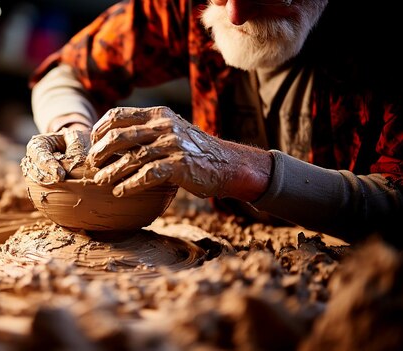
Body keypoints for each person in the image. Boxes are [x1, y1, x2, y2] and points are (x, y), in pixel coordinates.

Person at [22, 0, 403, 246]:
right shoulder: (189, 6)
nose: (235, 14)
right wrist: (71, 130)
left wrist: (238, 168)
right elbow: (66, 71)